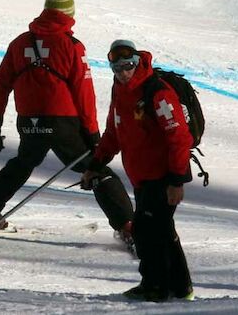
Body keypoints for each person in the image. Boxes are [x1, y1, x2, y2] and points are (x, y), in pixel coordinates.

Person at [0, 0, 134, 237]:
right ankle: (129, 227)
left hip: (29, 121)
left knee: (23, 163)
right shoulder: (72, 46)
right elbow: (85, 94)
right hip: (64, 123)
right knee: (95, 169)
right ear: (68, 16)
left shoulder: (19, 43)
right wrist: (94, 136)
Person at [82, 40, 194, 302]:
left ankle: (155, 287)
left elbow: (179, 138)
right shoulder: (120, 91)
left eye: (129, 65)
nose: (123, 72)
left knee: (145, 231)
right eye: (117, 68)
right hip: (142, 177)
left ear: (138, 61)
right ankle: (180, 288)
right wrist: (95, 165)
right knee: (162, 231)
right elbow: (113, 132)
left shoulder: (157, 92)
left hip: (164, 177)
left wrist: (176, 181)